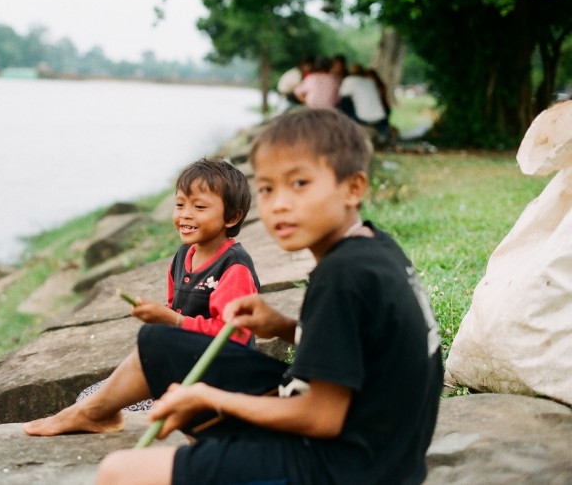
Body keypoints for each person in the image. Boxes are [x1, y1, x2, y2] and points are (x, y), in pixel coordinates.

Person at [95, 108, 443, 485]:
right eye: (267, 188)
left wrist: (211, 397)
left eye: (299, 184)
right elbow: (365, 351)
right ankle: (98, 413)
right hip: (385, 452)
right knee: (163, 342)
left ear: (353, 188)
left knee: (118, 473)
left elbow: (320, 417)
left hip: (345, 467)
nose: (278, 203)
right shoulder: (375, 248)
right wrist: (281, 326)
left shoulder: (341, 276)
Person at [23, 157, 260, 433]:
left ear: (232, 216)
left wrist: (174, 322)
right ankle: (90, 412)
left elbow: (235, 337)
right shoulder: (184, 255)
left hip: (217, 378)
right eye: (180, 204)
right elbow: (175, 311)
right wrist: (160, 316)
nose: (185, 214)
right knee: (89, 396)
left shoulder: (233, 268)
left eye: (199, 207)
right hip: (184, 365)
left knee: (120, 401)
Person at [338, 63, 392, 143]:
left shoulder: (349, 80)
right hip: (380, 119)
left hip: (363, 119)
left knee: (343, 102)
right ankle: (382, 131)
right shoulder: (370, 81)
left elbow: (341, 95)